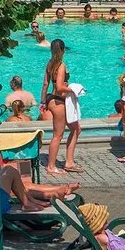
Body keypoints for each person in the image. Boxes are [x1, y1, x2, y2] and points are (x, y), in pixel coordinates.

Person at [41, 39, 82, 174]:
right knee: (57, 135)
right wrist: (74, 89)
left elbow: (46, 84)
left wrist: (43, 102)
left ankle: (69, 162)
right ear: (63, 50)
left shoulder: (50, 64)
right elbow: (59, 87)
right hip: (59, 101)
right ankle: (51, 166)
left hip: (51, 100)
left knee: (76, 129)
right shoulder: (61, 65)